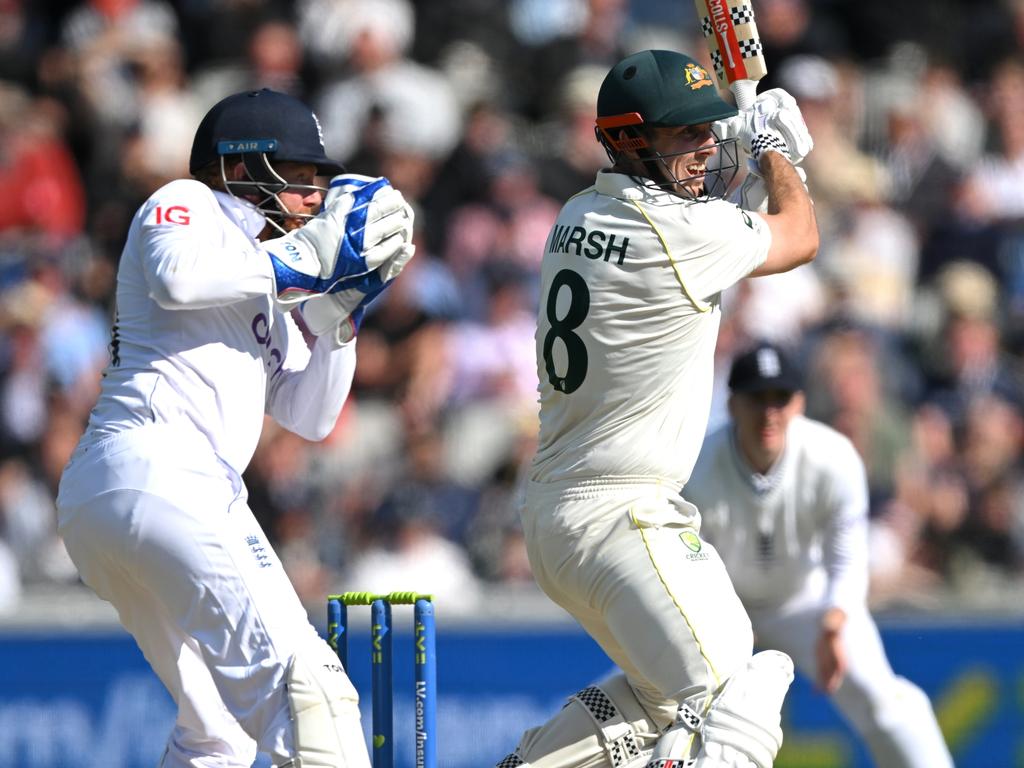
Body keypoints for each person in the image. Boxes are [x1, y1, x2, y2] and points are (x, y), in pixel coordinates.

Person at [55, 88, 415, 768]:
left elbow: (311, 416)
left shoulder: (260, 275)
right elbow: (177, 279)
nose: (315, 201)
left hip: (129, 494)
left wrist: (344, 302)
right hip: (163, 469)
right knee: (309, 693)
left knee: (220, 734)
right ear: (245, 170)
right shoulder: (188, 203)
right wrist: (312, 258)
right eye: (306, 181)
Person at [496, 49, 819, 768]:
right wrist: (773, 151)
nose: (706, 147)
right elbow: (799, 236)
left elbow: (718, 234)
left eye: (710, 129)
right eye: (685, 135)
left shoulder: (577, 214)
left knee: (658, 696)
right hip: (622, 515)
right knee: (742, 685)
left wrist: (755, 149)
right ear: (629, 141)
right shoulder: (679, 233)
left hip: (558, 515)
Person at [683, 342, 955, 767]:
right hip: (722, 614)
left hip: (805, 606)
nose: (769, 412)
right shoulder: (696, 466)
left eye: (781, 398)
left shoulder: (832, 458)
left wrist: (835, 619)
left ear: (800, 403)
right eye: (757, 398)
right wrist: (714, 626)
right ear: (733, 405)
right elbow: (684, 565)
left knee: (888, 702)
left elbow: (846, 556)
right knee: (672, 715)